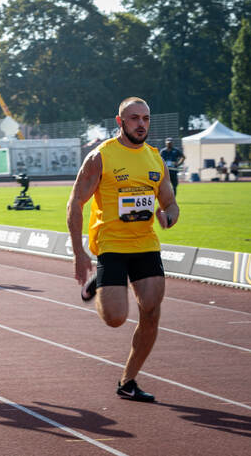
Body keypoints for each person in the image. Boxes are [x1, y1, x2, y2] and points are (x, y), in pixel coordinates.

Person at [67, 96, 179, 403]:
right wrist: (79, 253)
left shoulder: (156, 159)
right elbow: (75, 202)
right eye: (134, 118)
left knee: (151, 311)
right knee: (116, 318)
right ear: (120, 122)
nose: (141, 124)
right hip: (111, 244)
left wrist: (168, 216)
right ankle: (101, 283)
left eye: (145, 118)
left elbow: (169, 202)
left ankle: (128, 381)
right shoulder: (101, 157)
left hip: (144, 244)